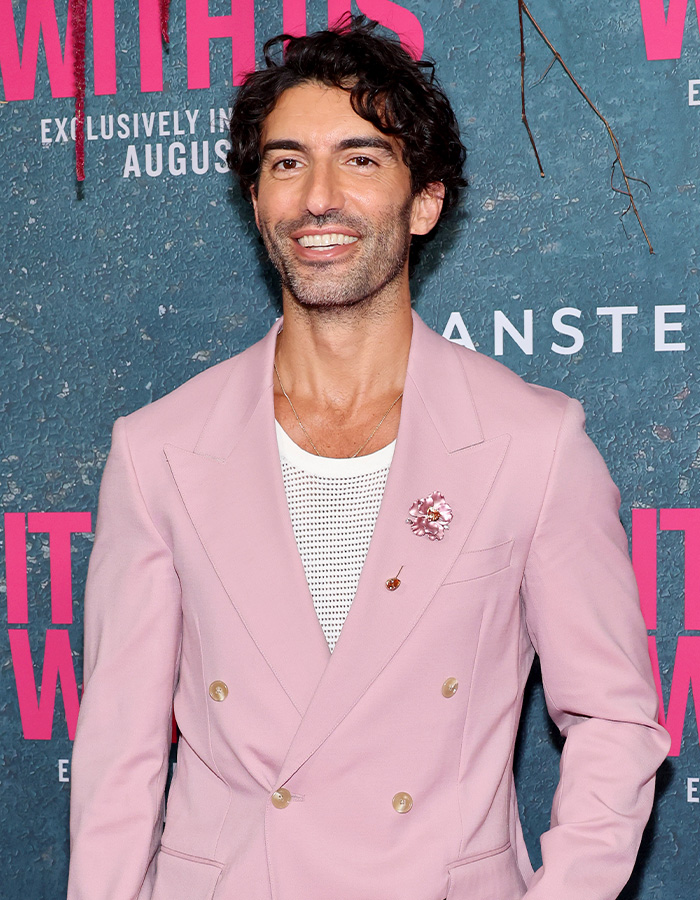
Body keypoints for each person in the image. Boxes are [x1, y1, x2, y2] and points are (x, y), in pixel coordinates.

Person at [67, 17, 669, 900]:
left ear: (423, 201)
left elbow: (615, 719)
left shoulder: (533, 444)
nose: (317, 197)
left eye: (358, 158)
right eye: (285, 162)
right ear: (257, 198)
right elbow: (118, 754)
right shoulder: (158, 449)